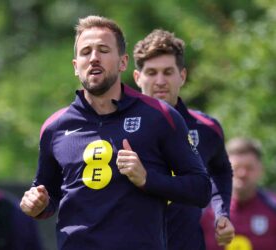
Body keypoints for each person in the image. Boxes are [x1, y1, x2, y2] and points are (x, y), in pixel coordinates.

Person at [20, 15, 212, 250]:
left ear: (123, 62)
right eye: (86, 52)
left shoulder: (159, 116)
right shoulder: (55, 127)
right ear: (75, 66)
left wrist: (147, 179)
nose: (93, 58)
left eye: (103, 50)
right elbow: (47, 196)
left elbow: (201, 190)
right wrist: (37, 204)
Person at [132, 29, 235, 250]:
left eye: (168, 72)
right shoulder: (120, 128)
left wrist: (221, 213)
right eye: (151, 72)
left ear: (183, 76)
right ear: (137, 77)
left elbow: (220, 171)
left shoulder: (207, 128)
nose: (160, 81)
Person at [201, 137, 276, 250]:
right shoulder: (201, 209)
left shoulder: (273, 207)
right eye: (235, 168)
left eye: (249, 168)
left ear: (261, 170)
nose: (242, 173)